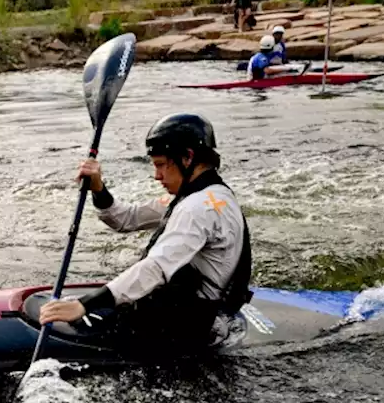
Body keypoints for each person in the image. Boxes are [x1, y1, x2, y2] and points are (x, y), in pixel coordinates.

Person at [39, 114, 253, 353]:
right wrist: (98, 188)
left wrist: (84, 305)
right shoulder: (204, 196)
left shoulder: (198, 209)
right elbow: (126, 219)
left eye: (161, 164)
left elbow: (156, 268)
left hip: (182, 327)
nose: (156, 175)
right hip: (179, 311)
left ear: (188, 157)